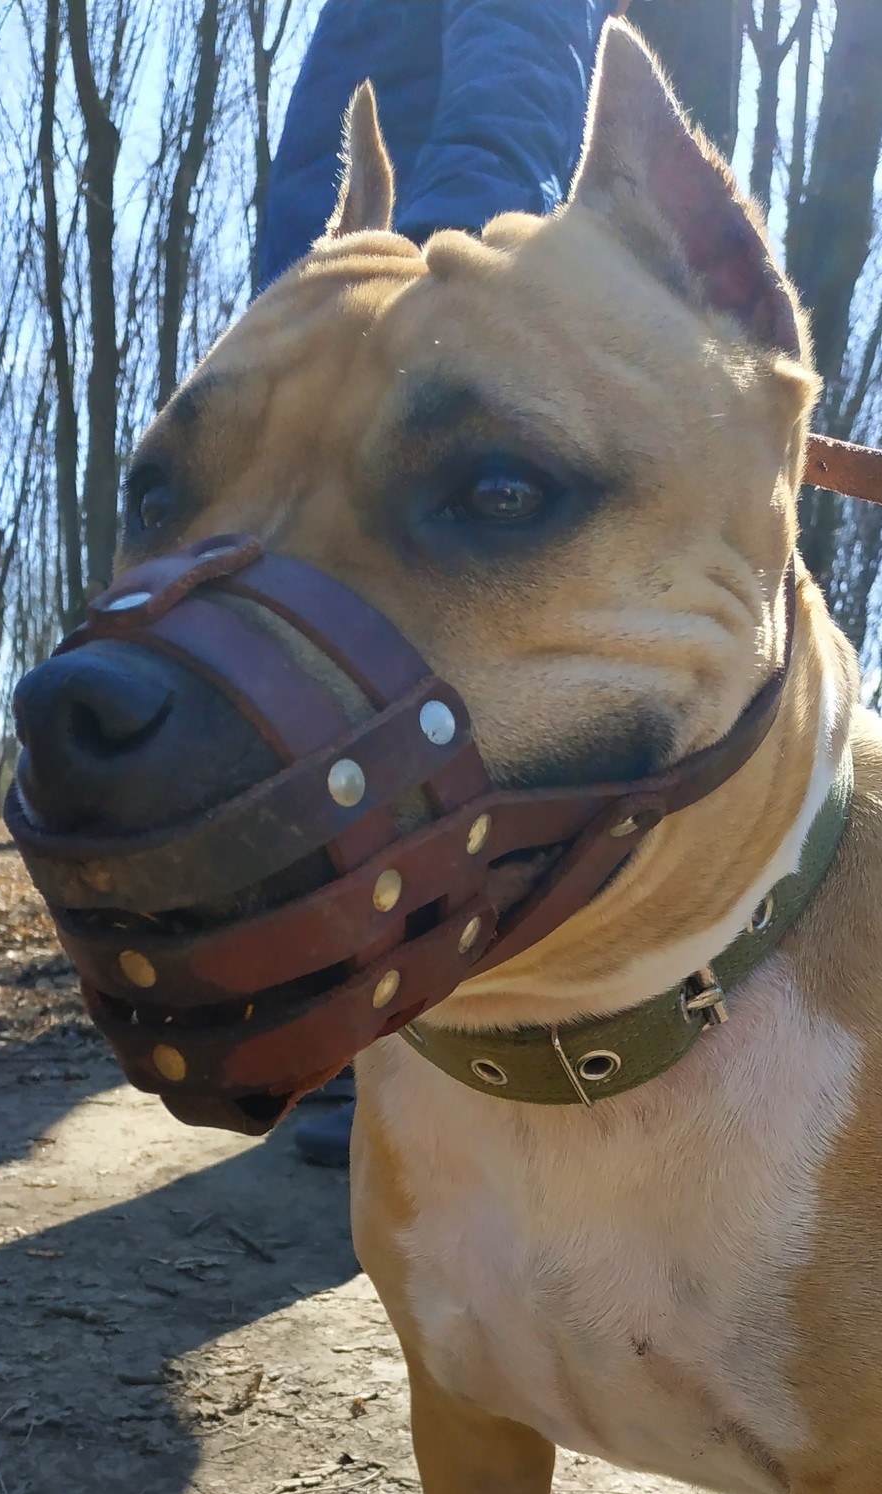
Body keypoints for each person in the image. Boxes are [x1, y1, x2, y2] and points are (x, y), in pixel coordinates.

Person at [256, 0, 618, 1163]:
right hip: (326, 286)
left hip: (427, 287)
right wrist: (301, 295)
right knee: (292, 656)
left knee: (401, 656)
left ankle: (407, 1022)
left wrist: (445, 262)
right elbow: (322, 137)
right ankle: (332, 1012)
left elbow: (525, 48)